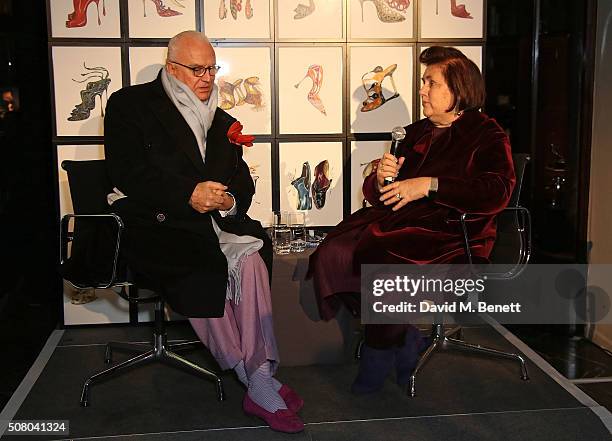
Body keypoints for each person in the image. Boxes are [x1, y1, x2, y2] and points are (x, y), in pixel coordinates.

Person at [104, 31, 304, 433]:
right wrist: (186, 194)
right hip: (155, 223)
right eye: (197, 69)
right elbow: (127, 171)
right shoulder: (130, 104)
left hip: (213, 224)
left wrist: (229, 203)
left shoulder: (224, 121)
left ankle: (259, 369)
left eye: (212, 68)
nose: (207, 77)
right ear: (171, 67)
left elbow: (240, 181)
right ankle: (253, 378)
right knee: (197, 262)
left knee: (249, 256)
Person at [308, 46, 516, 393]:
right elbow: (382, 198)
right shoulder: (414, 133)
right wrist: (380, 180)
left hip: (455, 234)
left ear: (458, 89)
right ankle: (401, 335)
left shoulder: (486, 134)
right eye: (423, 82)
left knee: (385, 258)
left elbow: (497, 191)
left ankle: (378, 353)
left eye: (430, 83)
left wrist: (430, 185)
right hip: (404, 226)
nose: (422, 90)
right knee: (335, 252)